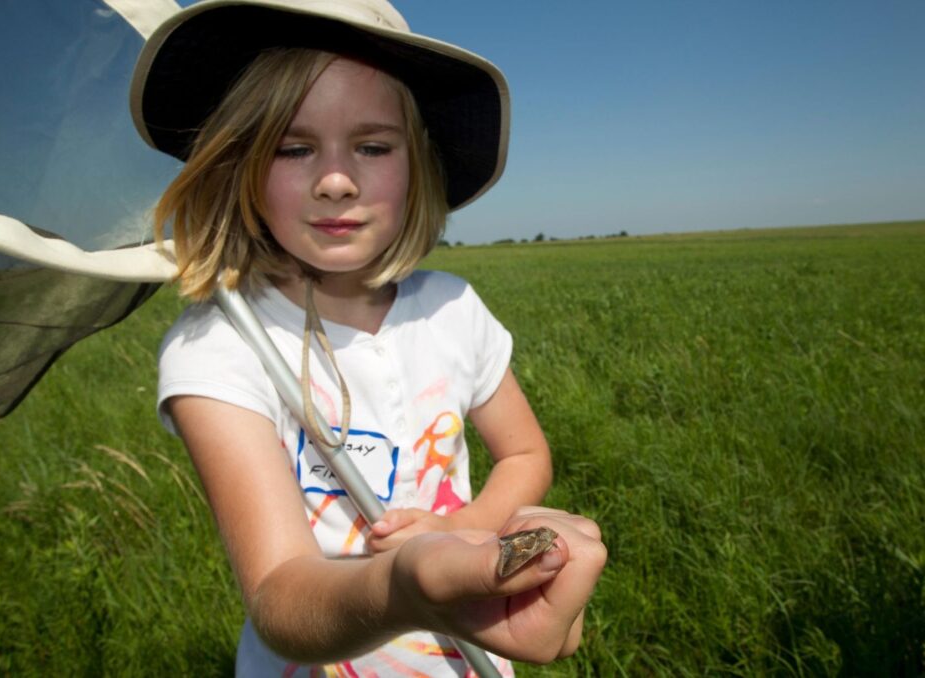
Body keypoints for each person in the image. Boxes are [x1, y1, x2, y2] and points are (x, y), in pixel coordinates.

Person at [132, 1, 606, 675]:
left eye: (373, 146)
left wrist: (468, 527)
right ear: (239, 167)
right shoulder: (219, 348)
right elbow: (280, 598)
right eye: (293, 148)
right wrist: (406, 586)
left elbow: (525, 452)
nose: (334, 180)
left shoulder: (453, 310)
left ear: (418, 166)